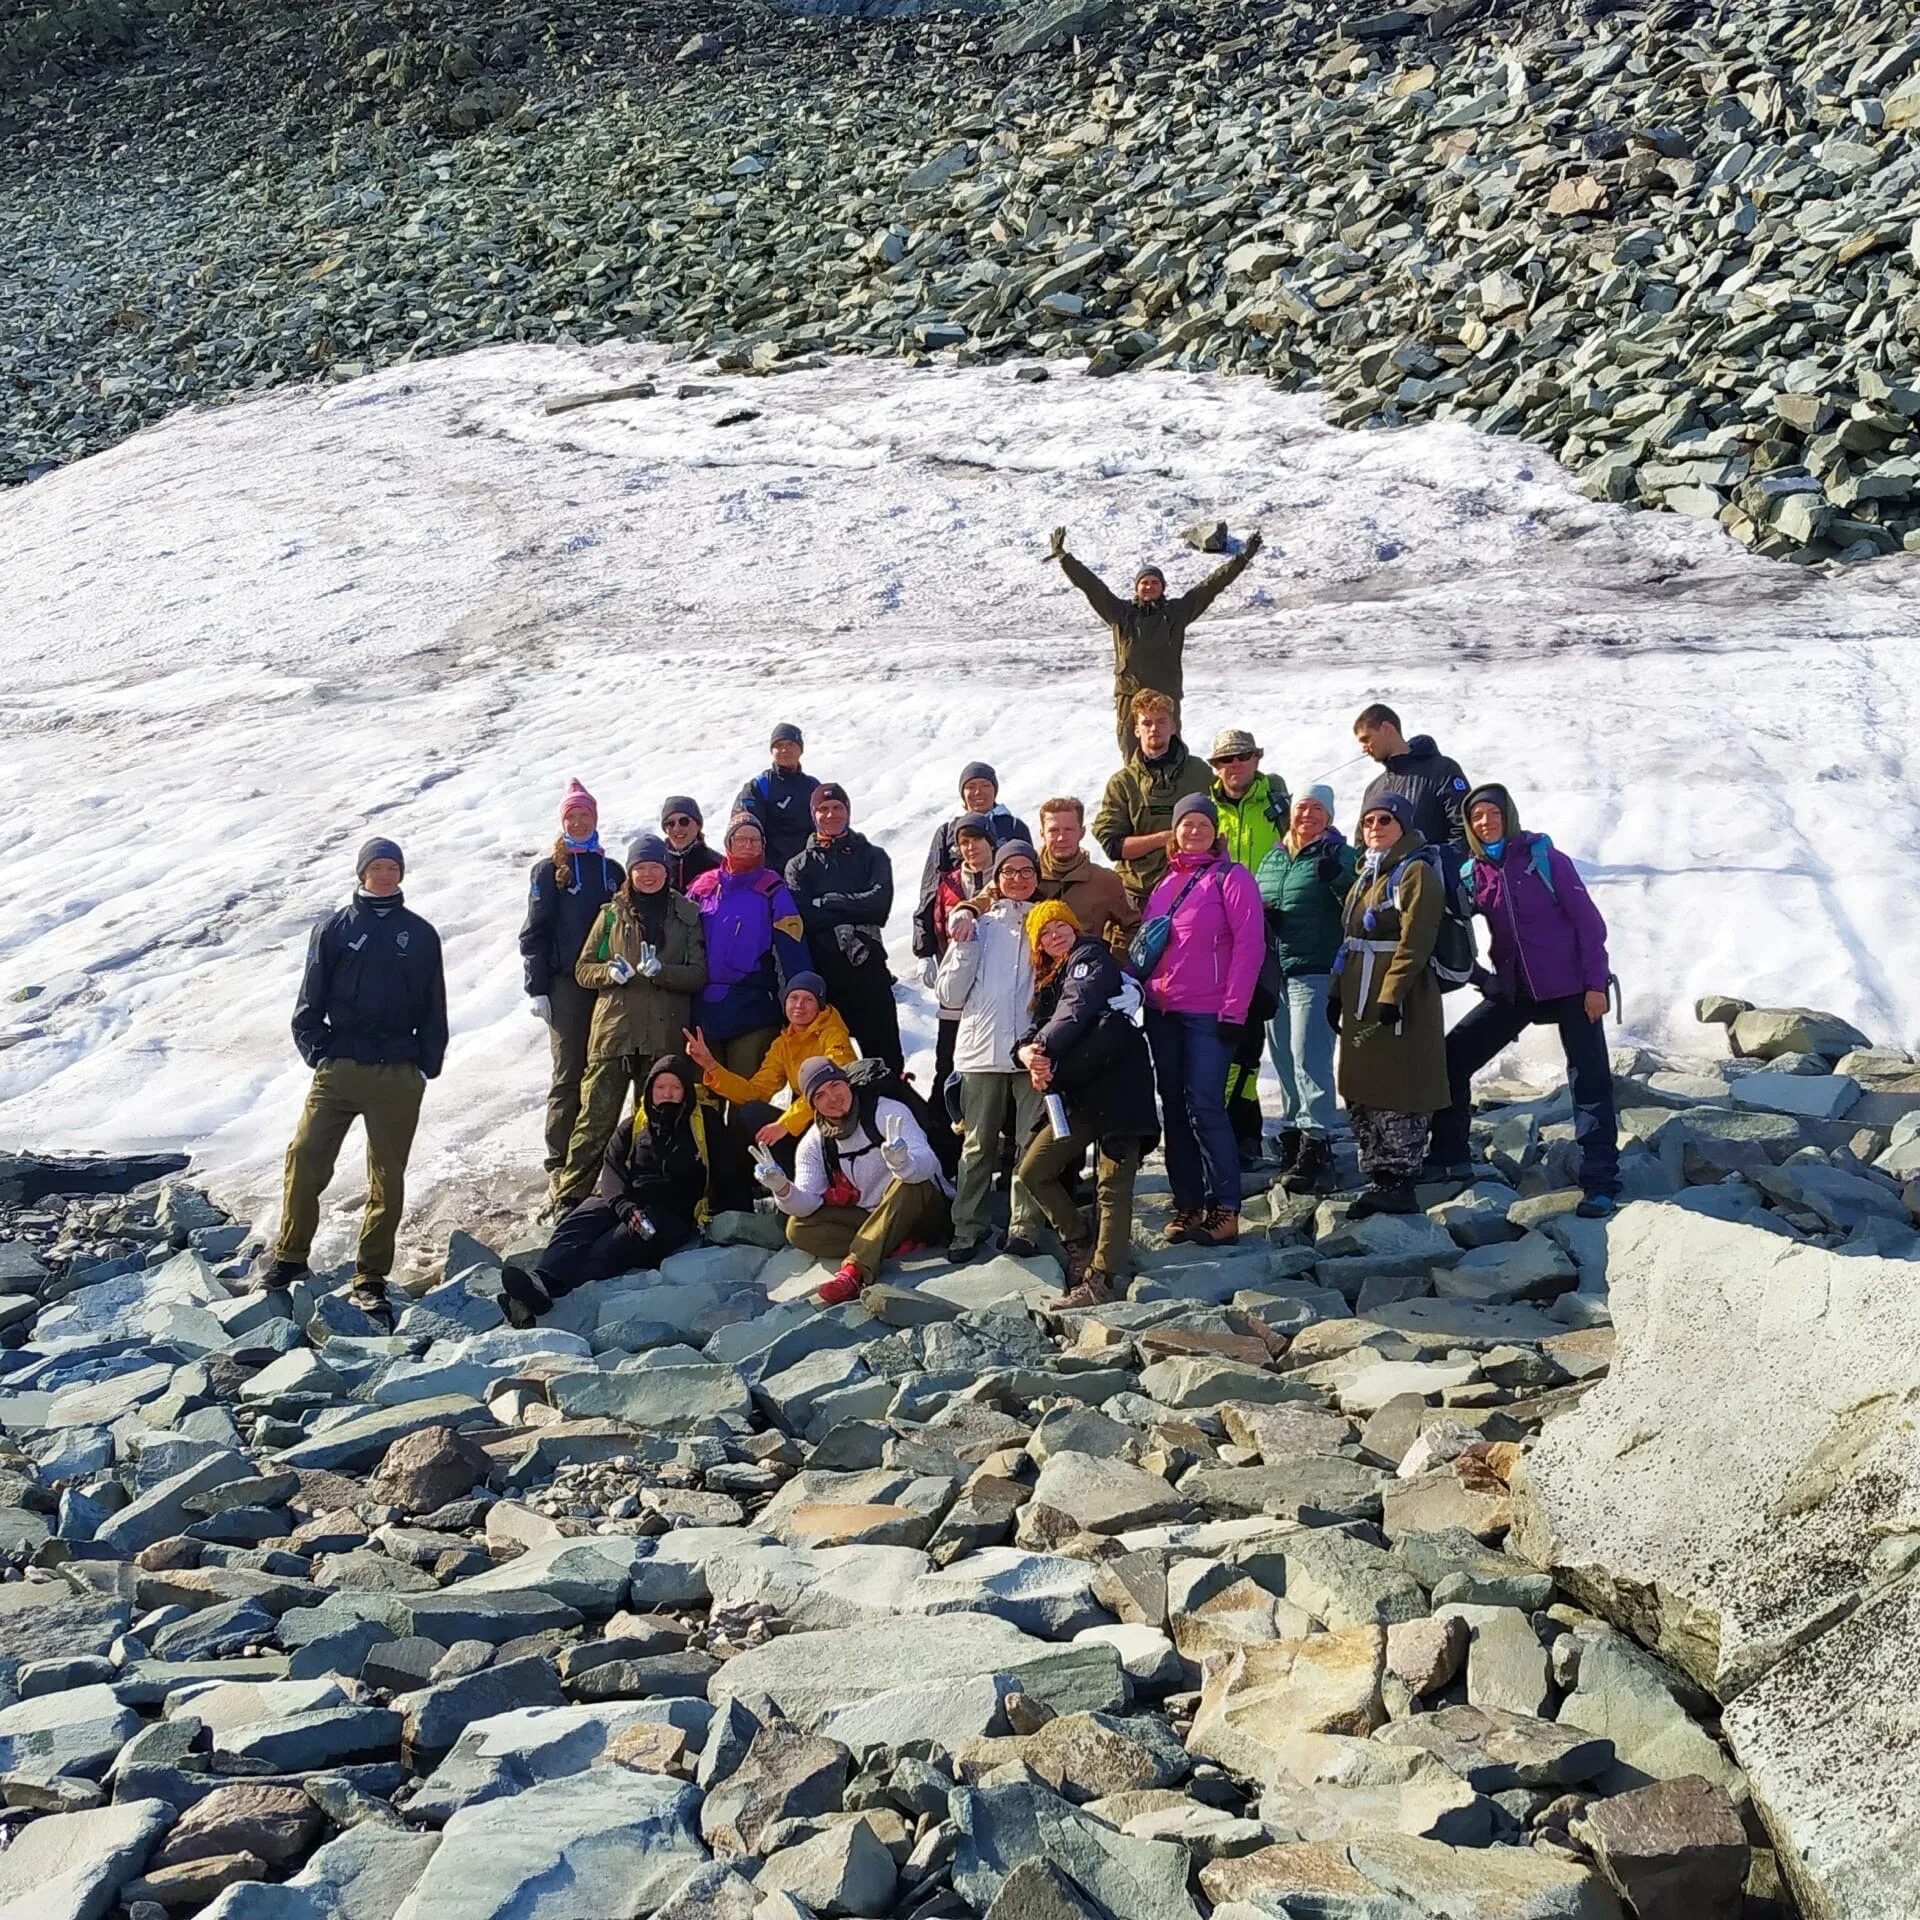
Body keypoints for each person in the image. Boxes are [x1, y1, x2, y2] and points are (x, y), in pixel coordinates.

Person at [257, 838, 447, 1328]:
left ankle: (371, 1276)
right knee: (305, 1155)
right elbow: (309, 998)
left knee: (388, 1176)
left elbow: (434, 1007)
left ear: (401, 874)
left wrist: (425, 1065)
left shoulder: (420, 934)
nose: (384, 875)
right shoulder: (335, 929)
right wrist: (319, 1053)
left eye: (392, 867)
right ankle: (291, 1254)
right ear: (361, 873)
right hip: (339, 1067)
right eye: (376, 867)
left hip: (398, 1072)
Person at [1429, 784, 1620, 1217]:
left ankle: (1601, 1182)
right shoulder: (1474, 873)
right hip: (1517, 993)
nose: (1484, 821)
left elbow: (1589, 924)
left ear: (1508, 815)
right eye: (1476, 816)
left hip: (1573, 989)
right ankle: (1451, 1159)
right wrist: (1482, 979)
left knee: (1589, 1083)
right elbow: (1450, 930)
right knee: (1453, 1056)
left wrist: (1595, 986)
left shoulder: (1544, 860)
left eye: (1492, 813)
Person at [1014, 901, 1159, 1309]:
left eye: (1061, 924)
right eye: (1045, 931)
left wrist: (1043, 1049)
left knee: (1112, 1186)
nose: (1055, 934)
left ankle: (1103, 1277)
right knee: (1035, 1170)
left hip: (1119, 1092)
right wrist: (1027, 1054)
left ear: (1075, 925)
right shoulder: (1049, 981)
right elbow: (1033, 1031)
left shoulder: (1090, 958)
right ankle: (1081, 1243)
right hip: (1079, 1097)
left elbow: (1077, 1008)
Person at [555, 833, 708, 1211]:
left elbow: (698, 974)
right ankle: (570, 1197)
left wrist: (663, 973)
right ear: (630, 871)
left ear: (665, 870)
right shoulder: (611, 914)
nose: (648, 874)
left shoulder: (686, 915)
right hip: (614, 1034)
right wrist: (609, 973)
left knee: (653, 1124)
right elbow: (582, 970)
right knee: (595, 1120)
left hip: (663, 1037)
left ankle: (642, 1193)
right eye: (640, 867)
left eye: (655, 866)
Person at [502, 1054, 715, 1323]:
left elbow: (725, 1169)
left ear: (686, 1091)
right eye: (661, 1088)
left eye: (675, 1087)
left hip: (672, 1213)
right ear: (650, 1091)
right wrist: (625, 1206)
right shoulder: (635, 1125)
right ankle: (540, 1279)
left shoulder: (703, 1125)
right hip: (630, 1201)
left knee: (610, 1246)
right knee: (579, 1220)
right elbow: (612, 1170)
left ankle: (551, 1291)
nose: (667, 1095)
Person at [1141, 795, 1265, 1247]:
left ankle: (1225, 1208)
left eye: (1202, 824)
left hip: (1209, 1012)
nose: (1194, 831)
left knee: (1206, 1104)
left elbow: (1250, 945)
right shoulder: (1164, 884)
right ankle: (1188, 1204)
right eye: (1186, 823)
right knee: (1173, 1104)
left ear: (1216, 831)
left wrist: (1235, 1009)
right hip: (1162, 1012)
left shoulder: (1232, 878)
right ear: (1174, 831)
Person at [1330, 792, 1447, 1215]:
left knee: (1400, 1081)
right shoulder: (1368, 873)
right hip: (1361, 992)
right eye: (1368, 821)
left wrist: (1391, 993)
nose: (1375, 828)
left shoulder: (1415, 873)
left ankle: (1400, 1176)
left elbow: (1416, 940)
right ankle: (1378, 1172)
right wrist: (1335, 992)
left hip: (1400, 996)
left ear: (1403, 825)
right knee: (1364, 1078)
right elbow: (1348, 939)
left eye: (1385, 820)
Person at [1051, 525, 1265, 755]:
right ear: (1137, 588)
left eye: (1155, 582)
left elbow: (1211, 586)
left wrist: (1242, 559)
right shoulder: (1121, 613)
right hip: (1130, 693)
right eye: (1144, 582)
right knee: (1131, 749)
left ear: (1162, 587)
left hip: (1166, 692)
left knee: (1170, 751)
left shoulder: (1176, 612)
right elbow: (1092, 586)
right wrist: (1064, 558)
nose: (1149, 586)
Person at [761, 1056, 953, 1305]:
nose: (832, 1098)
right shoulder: (814, 1143)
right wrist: (782, 1189)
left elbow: (927, 1165)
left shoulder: (887, 1111)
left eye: (835, 1086)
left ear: (847, 1083)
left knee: (907, 1182)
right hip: (874, 1217)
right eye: (819, 1095)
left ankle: (855, 1271)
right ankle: (889, 1244)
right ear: (812, 1105)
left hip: (927, 1212)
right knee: (797, 1228)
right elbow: (808, 1203)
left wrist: (903, 1163)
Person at [936, 839, 1049, 1262]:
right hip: (980, 1050)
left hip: (1032, 1052)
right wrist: (963, 946)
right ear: (997, 879)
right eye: (1009, 872)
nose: (1018, 879)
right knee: (977, 1145)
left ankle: (1024, 1226)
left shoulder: (1048, 920)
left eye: (1026, 872)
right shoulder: (977, 924)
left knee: (1029, 1144)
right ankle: (967, 1227)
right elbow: (949, 994)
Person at [518, 780, 625, 1195]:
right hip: (566, 985)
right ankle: (559, 1162)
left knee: (606, 1071)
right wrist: (537, 987)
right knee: (569, 1072)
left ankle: (599, 1156)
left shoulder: (611, 871)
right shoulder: (549, 872)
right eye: (571, 816)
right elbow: (535, 931)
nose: (579, 822)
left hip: (607, 984)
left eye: (585, 815)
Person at [1255, 785, 1357, 1195]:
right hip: (1275, 973)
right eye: (1302, 807)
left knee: (1308, 1053)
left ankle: (1318, 1142)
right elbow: (1258, 897)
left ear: (1329, 816)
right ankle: (1296, 1134)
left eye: (1317, 808)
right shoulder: (1273, 857)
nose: (1307, 815)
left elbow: (1359, 901)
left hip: (1316, 968)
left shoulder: (1338, 855)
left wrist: (1339, 880)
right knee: (1282, 1056)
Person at [1208, 729, 1292, 1169]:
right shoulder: (1206, 810)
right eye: (1225, 760)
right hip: (1217, 934)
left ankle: (1249, 1129)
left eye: (1242, 757)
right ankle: (1223, 1126)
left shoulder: (1278, 804)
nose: (1234, 766)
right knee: (1222, 1031)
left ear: (1257, 758)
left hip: (1268, 928)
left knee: (1254, 1031)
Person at [785, 782, 902, 1072]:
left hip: (869, 971)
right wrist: (851, 909)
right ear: (813, 815)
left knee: (886, 1062)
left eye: (837, 807)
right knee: (820, 1066)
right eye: (822, 809)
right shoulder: (799, 865)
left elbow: (879, 905)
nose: (830, 814)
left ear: (848, 811)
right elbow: (804, 917)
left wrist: (827, 901)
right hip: (823, 977)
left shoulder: (873, 856)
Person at [684, 815, 810, 1076]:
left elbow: (793, 950)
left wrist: (802, 999)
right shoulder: (702, 887)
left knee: (746, 1101)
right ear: (728, 842)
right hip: (701, 1012)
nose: (748, 845)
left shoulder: (773, 889)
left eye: (755, 839)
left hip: (753, 1010)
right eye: (741, 838)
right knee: (704, 1101)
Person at [683, 970, 857, 1150]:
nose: (799, 1005)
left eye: (808, 999)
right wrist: (711, 1066)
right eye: (793, 998)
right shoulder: (783, 1044)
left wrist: (786, 1124)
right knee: (750, 1113)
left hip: (840, 1118)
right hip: (805, 1121)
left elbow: (828, 1086)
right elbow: (755, 1093)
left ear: (820, 1005)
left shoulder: (833, 1034)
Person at [1092, 689, 1212, 909]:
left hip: (1196, 891)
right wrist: (1165, 838)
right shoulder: (1122, 783)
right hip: (1139, 896)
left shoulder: (1200, 773)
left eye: (1161, 721)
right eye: (1147, 723)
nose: (1154, 728)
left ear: (1173, 726)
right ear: (1136, 730)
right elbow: (1113, 846)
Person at [913, 811, 998, 1092]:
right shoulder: (947, 883)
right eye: (964, 842)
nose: (971, 847)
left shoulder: (1007, 879)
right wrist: (927, 955)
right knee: (947, 1062)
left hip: (996, 986)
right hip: (956, 984)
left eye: (977, 839)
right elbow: (933, 920)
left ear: (991, 841)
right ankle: (942, 1129)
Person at [917, 762, 1032, 929]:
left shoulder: (1014, 827)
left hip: (1007, 923)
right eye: (971, 786)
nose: (978, 792)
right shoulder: (947, 831)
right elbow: (931, 886)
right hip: (955, 924)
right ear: (962, 793)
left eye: (985, 785)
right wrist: (924, 944)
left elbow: (1030, 875)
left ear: (995, 790)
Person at [1354, 704, 1471, 856]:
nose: (1364, 748)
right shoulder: (1374, 789)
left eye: (1366, 738)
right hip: (1383, 878)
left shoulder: (1442, 769)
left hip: (1433, 876)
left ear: (1386, 728)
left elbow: (1463, 828)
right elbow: (1361, 844)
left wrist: (1436, 862)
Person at [1034, 795, 1139, 954]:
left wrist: (1114, 961)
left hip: (1085, 972)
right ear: (1042, 834)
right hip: (1031, 974)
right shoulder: (1023, 875)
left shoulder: (1104, 881)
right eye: (1054, 831)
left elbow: (1133, 925)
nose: (1062, 838)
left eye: (1069, 830)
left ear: (1082, 832)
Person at [734, 723, 820, 873]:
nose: (784, 749)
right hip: (768, 872)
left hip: (807, 869)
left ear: (800, 749)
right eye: (779, 745)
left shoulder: (812, 786)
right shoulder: (759, 786)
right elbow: (745, 828)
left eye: (790, 744)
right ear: (772, 751)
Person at [660, 795, 723, 894]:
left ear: (698, 825)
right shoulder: (656, 862)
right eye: (670, 823)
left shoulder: (717, 864)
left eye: (684, 821)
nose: (677, 828)